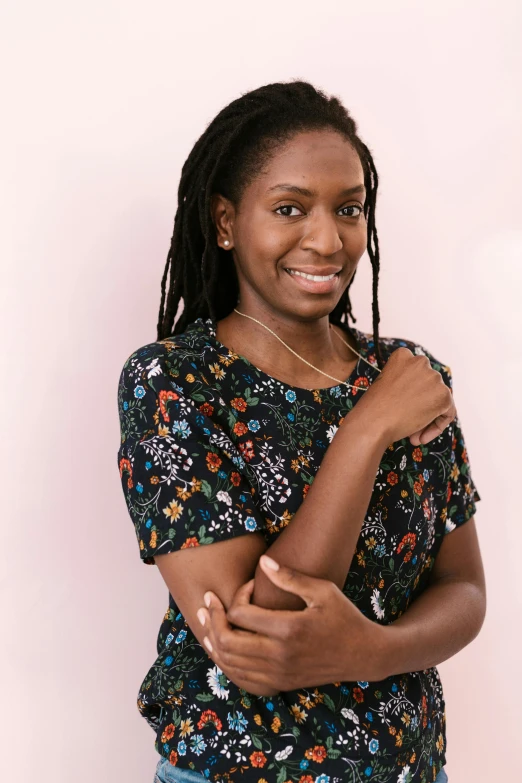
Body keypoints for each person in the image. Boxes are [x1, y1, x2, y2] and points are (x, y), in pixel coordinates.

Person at [116, 80, 485, 783]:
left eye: (348, 208)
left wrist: (371, 649)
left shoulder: (409, 373)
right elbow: (258, 637)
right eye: (290, 208)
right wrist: (367, 427)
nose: (328, 239)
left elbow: (465, 588)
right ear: (226, 222)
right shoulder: (174, 382)